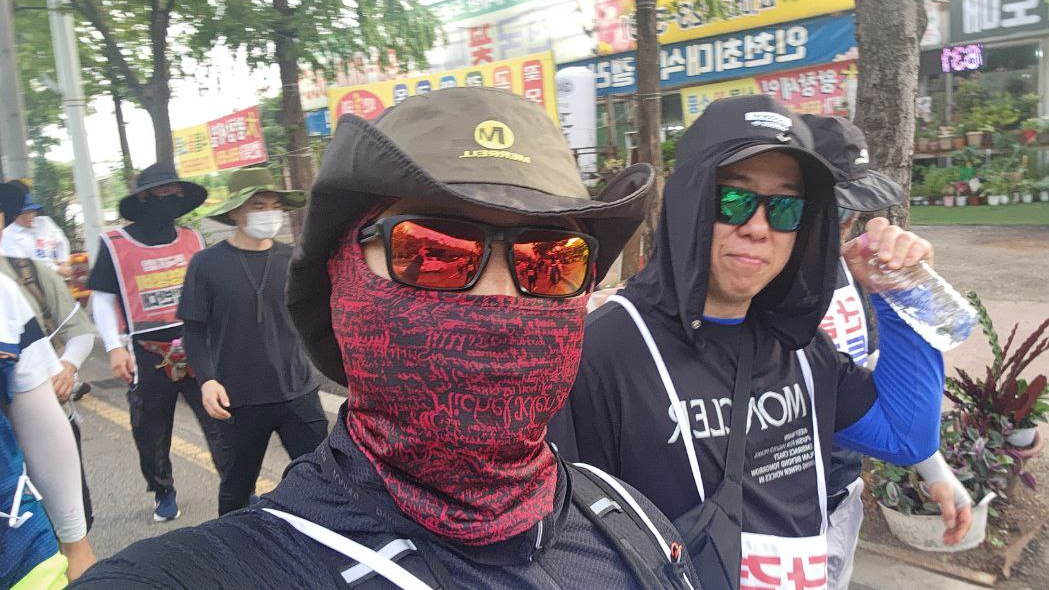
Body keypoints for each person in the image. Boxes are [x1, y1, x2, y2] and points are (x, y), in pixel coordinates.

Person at [76, 88, 698, 589]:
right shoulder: (212, 573)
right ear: (343, 282)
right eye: (433, 250)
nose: (501, 298)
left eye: (550, 260)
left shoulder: (633, 524)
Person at [549, 96, 953, 589]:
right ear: (688, 203)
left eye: (784, 208)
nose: (759, 228)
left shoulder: (800, 347)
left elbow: (906, 436)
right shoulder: (603, 353)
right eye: (734, 201)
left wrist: (903, 293)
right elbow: (564, 544)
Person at [803, 114, 973, 587]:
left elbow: (868, 365)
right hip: (763, 512)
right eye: (834, 211)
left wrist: (902, 289)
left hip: (838, 497)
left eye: (852, 213)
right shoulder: (751, 290)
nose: (847, 227)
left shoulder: (846, 269)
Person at [178, 167, 327, 516]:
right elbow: (193, 330)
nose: (269, 214)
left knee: (326, 478)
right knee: (237, 489)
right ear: (235, 212)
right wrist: (207, 380)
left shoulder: (294, 260)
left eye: (275, 206)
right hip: (237, 399)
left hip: (297, 392)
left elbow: (317, 316)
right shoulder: (206, 265)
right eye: (258, 205)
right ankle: (231, 546)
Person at [86, 163, 229, 522]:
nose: (171, 199)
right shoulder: (115, 244)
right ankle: (163, 491)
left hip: (197, 345)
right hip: (145, 350)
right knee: (151, 429)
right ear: (145, 197)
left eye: (177, 194)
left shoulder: (192, 239)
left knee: (220, 419)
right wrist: (114, 347)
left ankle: (238, 485)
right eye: (164, 192)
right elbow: (102, 299)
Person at [0, 182, 96, 585]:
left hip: (15, 541)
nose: (29, 217)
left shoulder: (21, 278)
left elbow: (81, 331)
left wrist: (66, 367)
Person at [0, 183, 72, 278]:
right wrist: (57, 269)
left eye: (31, 211)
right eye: (23, 213)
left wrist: (64, 262)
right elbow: (26, 262)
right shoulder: (7, 234)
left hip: (58, 275)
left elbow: (62, 242)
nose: (29, 216)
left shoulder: (45, 222)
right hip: (32, 280)